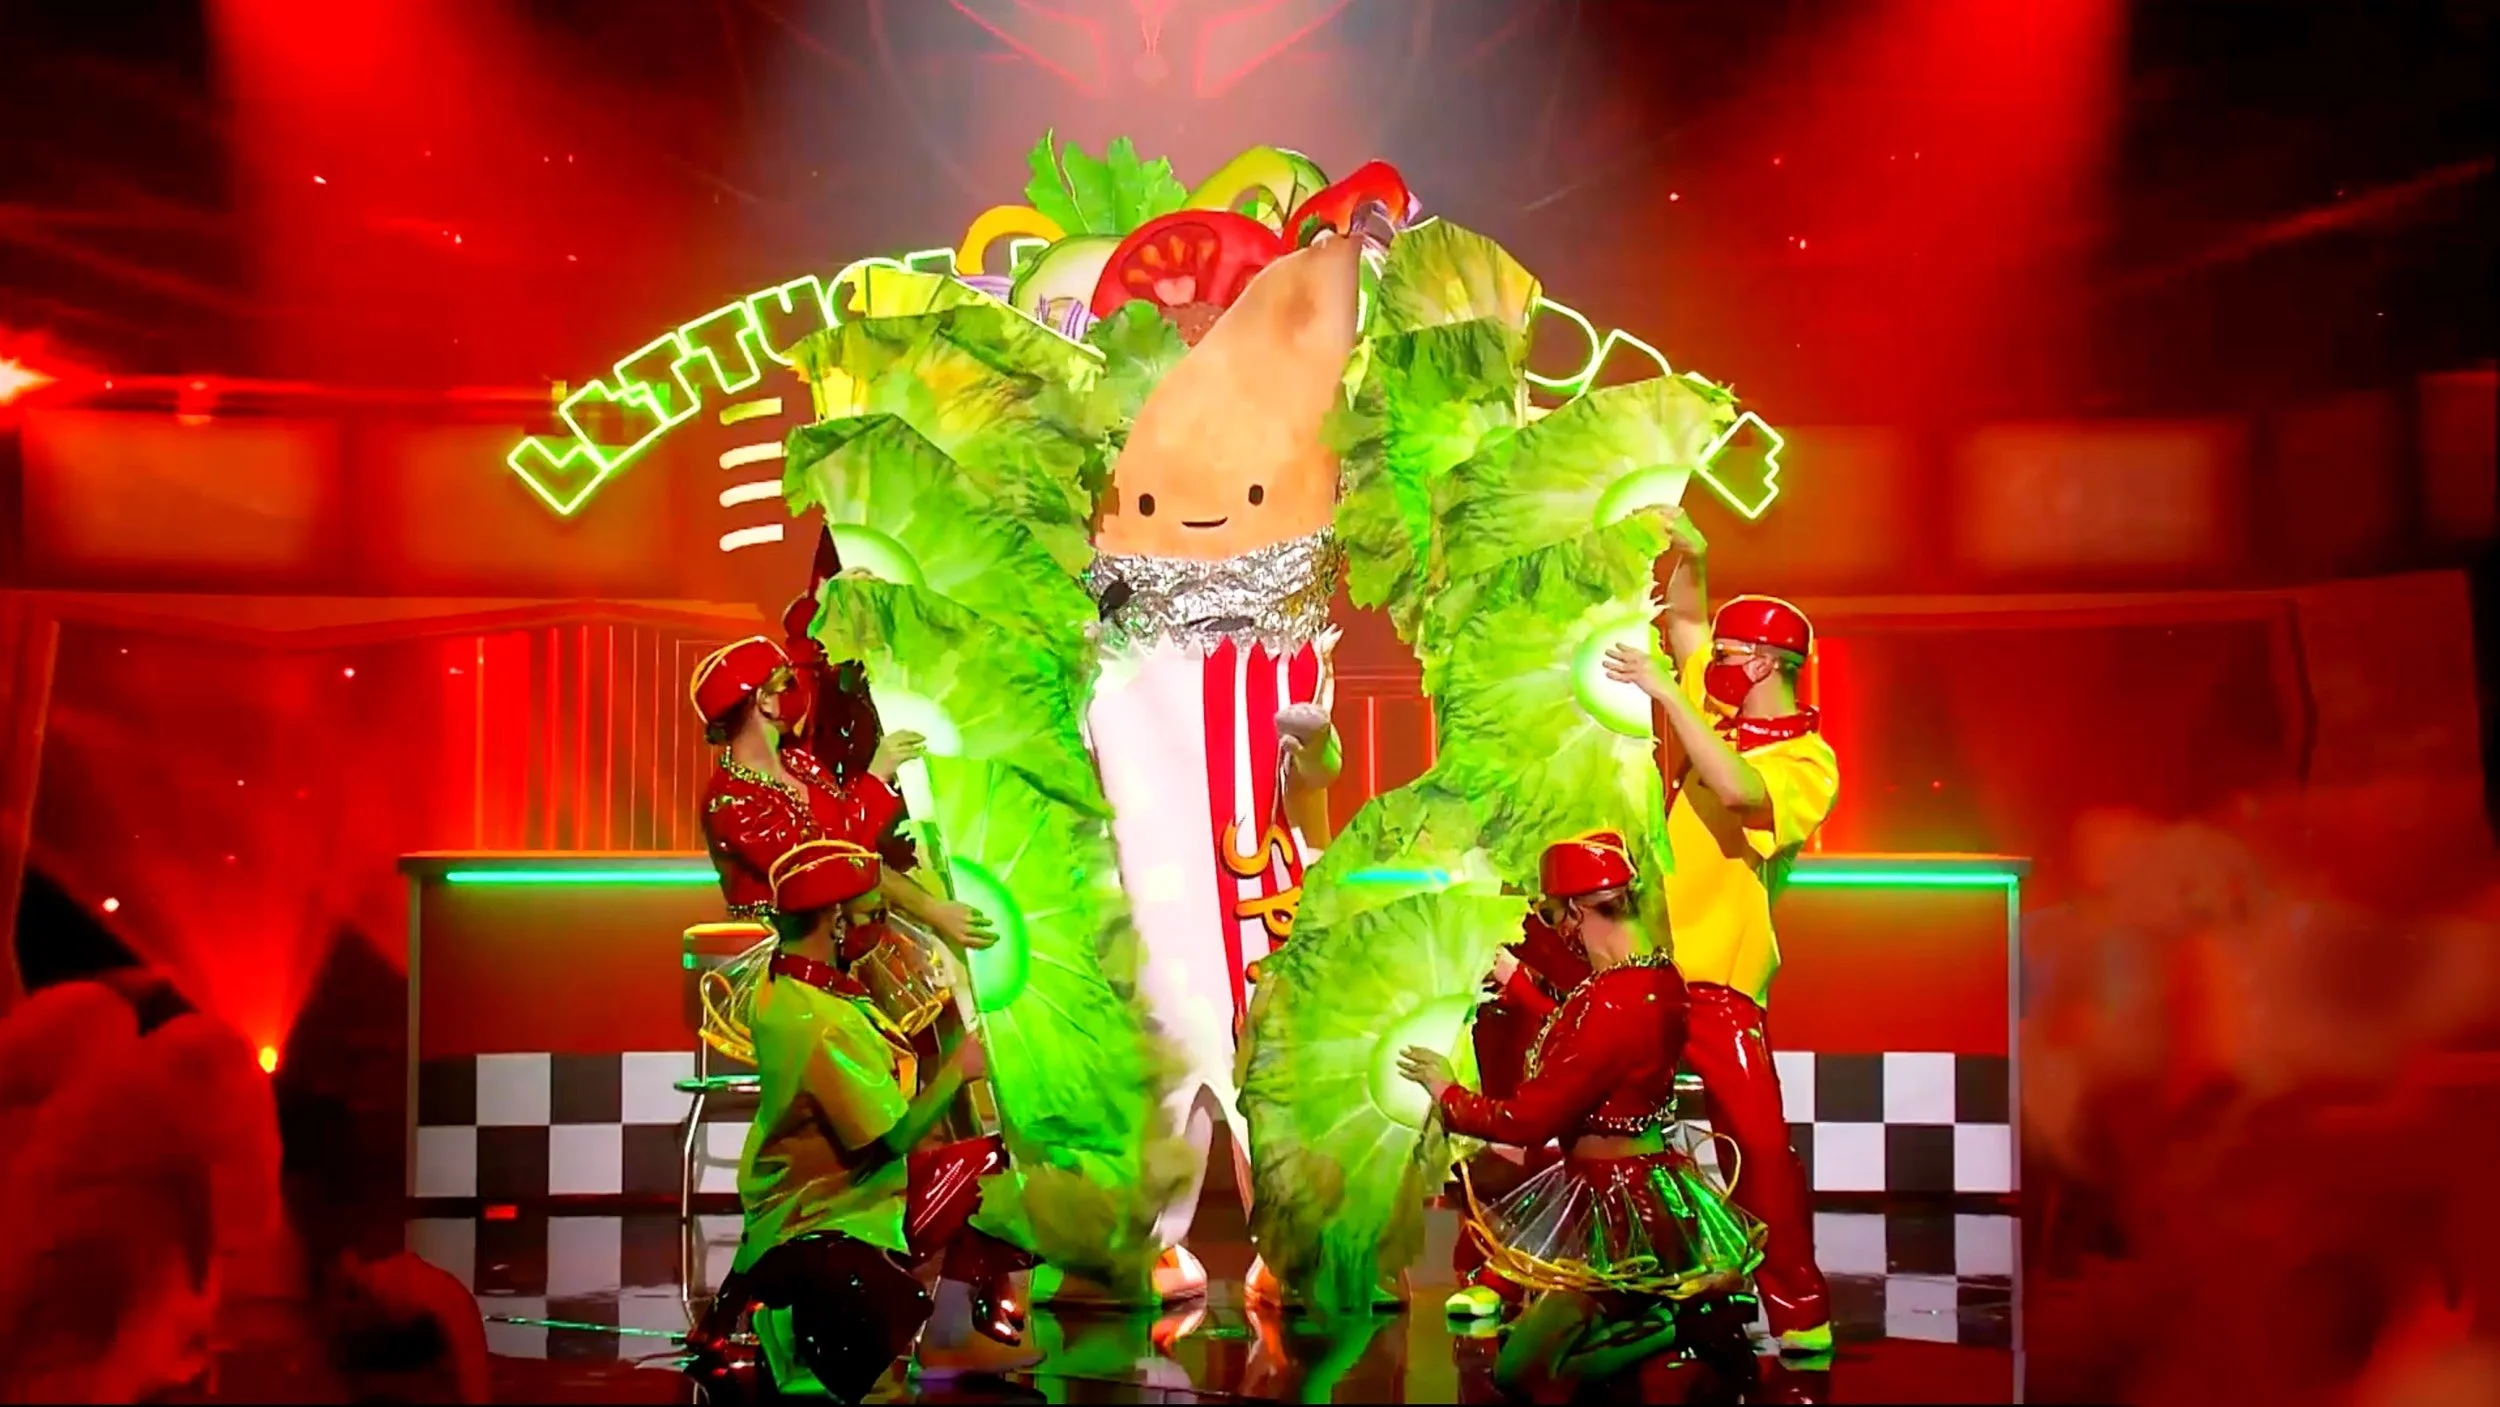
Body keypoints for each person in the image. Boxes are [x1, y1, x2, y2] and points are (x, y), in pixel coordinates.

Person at [1399, 833, 1765, 1401]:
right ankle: (1675, 1329)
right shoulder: (1659, 979)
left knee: (1523, 1372)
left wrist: (1448, 1093)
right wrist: (1518, 981)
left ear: (1574, 914)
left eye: (1551, 915)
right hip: (1645, 1194)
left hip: (1616, 1210)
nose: (1554, 931)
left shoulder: (1612, 999)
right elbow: (1590, 1043)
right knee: (1552, 1363)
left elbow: (1528, 1119)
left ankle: (1683, 1329)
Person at [1601, 506, 1840, 1357]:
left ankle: (1799, 1307)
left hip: (1719, 982)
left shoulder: (1805, 760)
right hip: (1648, 967)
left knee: (1759, 1145)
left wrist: (1668, 695)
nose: (1713, 664)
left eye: (1733, 656)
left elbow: (1739, 791)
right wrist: (1692, 554)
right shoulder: (1720, 708)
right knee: (1589, 1120)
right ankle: (1534, 1280)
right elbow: (1687, 621)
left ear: (1768, 664)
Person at [711, 835, 1041, 1402]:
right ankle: (951, 1336)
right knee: (998, 1169)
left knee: (976, 1162)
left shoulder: (787, 983)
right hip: (834, 1204)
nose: (880, 929)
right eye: (873, 916)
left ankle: (949, 1333)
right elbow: (892, 1138)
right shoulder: (820, 1023)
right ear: (835, 921)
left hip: (798, 1193)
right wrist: (958, 1070)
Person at [689, 634, 989, 952]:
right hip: (797, 959)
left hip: (852, 942)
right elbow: (834, 867)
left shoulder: (799, 763)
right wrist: (875, 776)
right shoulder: (733, 803)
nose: (799, 691)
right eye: (787, 683)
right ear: (765, 701)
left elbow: (852, 845)